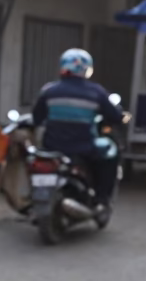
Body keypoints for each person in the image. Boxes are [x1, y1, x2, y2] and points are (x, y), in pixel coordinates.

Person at [32, 49, 124, 211]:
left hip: (51, 147)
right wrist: (122, 117)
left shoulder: (49, 90)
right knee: (110, 156)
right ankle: (101, 199)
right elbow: (115, 115)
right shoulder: (96, 92)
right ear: (87, 69)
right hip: (83, 148)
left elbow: (37, 118)